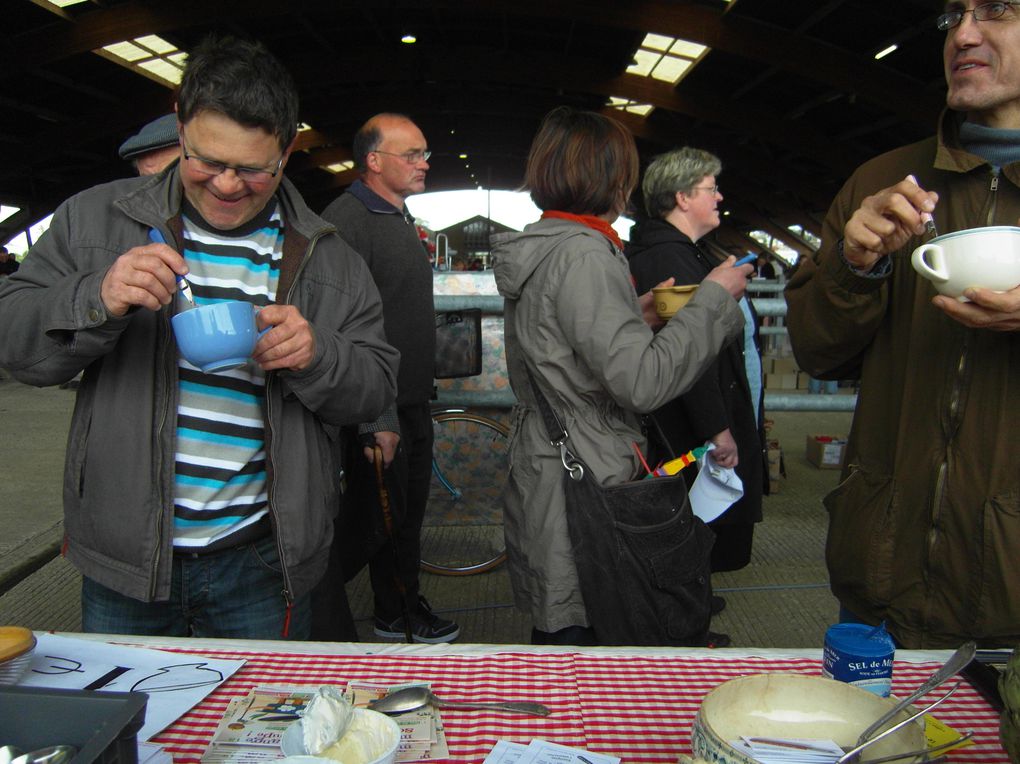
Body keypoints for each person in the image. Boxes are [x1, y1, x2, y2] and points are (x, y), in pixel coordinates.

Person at [0, 36, 398, 640]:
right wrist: (96, 298)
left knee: (260, 729)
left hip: (262, 559)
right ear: (180, 129)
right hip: (125, 561)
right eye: (207, 160)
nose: (228, 185)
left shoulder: (329, 256)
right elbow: (15, 344)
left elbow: (375, 389)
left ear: (288, 150)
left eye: (252, 168)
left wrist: (318, 356)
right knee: (132, 727)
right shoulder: (93, 220)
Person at [784, 0, 1020, 649]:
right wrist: (853, 268)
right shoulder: (885, 181)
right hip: (880, 578)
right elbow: (816, 351)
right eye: (955, 14)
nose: (964, 34)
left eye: (997, 10)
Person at [492, 106, 753, 646]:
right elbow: (641, 382)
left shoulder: (550, 245)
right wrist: (712, 300)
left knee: (568, 627)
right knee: (586, 636)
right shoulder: (585, 255)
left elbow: (561, 344)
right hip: (582, 469)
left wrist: (639, 315)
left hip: (551, 461)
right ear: (612, 177)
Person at [319, 114, 459, 644]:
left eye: (426, 154)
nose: (424, 164)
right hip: (378, 407)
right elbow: (339, 322)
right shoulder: (348, 221)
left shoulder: (396, 216)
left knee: (402, 515)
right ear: (373, 161)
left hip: (409, 398)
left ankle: (395, 607)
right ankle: (321, 608)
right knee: (375, 517)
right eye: (413, 155)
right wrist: (372, 416)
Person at [627, 148, 768, 623]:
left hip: (691, 420)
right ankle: (683, 621)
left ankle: (692, 603)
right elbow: (691, 356)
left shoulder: (686, 252)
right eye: (711, 188)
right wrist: (717, 429)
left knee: (692, 526)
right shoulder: (671, 258)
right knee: (688, 525)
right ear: (683, 196)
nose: (720, 196)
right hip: (686, 428)